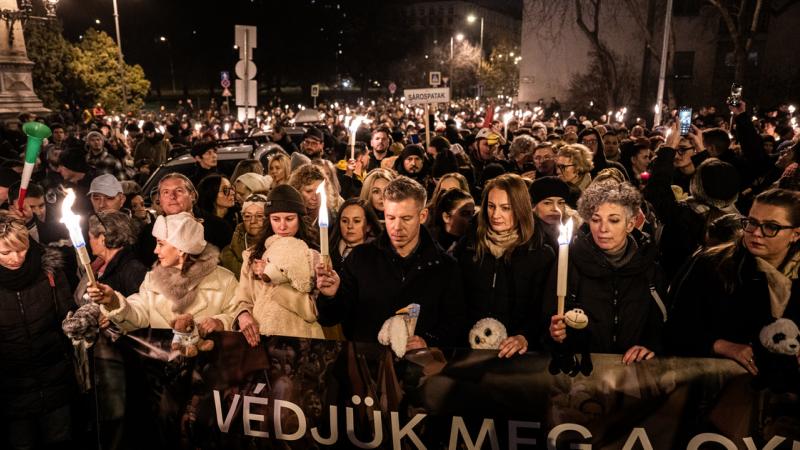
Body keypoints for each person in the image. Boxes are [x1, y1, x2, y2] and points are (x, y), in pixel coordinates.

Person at [315, 176, 468, 348]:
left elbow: (456, 323)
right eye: (391, 217)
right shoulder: (360, 258)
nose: (397, 227)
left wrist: (428, 341)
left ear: (422, 215)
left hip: (419, 362)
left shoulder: (445, 266)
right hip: (368, 359)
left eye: (406, 218)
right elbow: (331, 318)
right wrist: (330, 296)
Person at [666, 189, 800, 371]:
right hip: (718, 378)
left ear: (795, 234)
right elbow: (676, 329)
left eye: (771, 227)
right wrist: (723, 346)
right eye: (752, 222)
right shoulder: (711, 264)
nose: (756, 233)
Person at [547, 180, 667, 364]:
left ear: (630, 224)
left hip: (632, 371)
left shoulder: (649, 268)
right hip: (584, 370)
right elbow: (548, 319)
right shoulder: (569, 263)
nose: (603, 229)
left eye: (614, 220)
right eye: (596, 220)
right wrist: (555, 335)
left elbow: (662, 324)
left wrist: (650, 346)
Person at [88, 212, 241, 333]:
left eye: (160, 244)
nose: (155, 250)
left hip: (209, 361)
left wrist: (220, 322)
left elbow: (238, 316)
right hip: (162, 361)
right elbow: (139, 314)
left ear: (180, 249)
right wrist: (113, 301)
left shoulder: (224, 281)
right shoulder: (152, 279)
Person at [455, 174, 555, 356]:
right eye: (491, 206)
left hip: (516, 355)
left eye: (505, 208)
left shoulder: (540, 254)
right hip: (469, 350)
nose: (495, 215)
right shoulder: (469, 246)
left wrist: (525, 336)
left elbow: (543, 310)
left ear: (520, 208)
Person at [0, 217, 76, 450]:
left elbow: (67, 316)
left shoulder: (49, 272)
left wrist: (82, 322)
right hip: (12, 387)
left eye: (21, 249)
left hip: (54, 377)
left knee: (60, 439)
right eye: (5, 252)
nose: (15, 258)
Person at [231, 187, 326, 344]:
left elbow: (314, 310)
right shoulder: (252, 256)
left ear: (300, 218)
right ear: (268, 220)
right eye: (276, 219)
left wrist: (274, 280)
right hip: (260, 337)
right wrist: (243, 315)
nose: (282, 226)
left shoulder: (312, 256)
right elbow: (243, 298)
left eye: (289, 219)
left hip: (302, 338)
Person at [328, 198, 382, 272]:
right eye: (345, 221)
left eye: (356, 221)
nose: (350, 226)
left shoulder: (378, 254)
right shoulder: (329, 250)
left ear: (368, 226)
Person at [221, 194, 267, 279]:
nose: (253, 221)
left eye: (259, 216)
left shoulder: (278, 246)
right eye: (248, 216)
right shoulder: (227, 253)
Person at [529, 176, 581, 249]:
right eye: (547, 203)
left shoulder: (575, 233)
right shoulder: (526, 238)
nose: (556, 209)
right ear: (533, 206)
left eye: (560, 203)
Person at [196, 174, 237, 250]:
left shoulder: (238, 217)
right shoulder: (200, 222)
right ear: (211, 193)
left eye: (232, 188)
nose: (232, 193)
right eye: (226, 190)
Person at [428, 188, 474, 253]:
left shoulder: (474, 244)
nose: (471, 218)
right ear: (446, 217)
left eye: (473, 213)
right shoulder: (430, 245)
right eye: (465, 214)